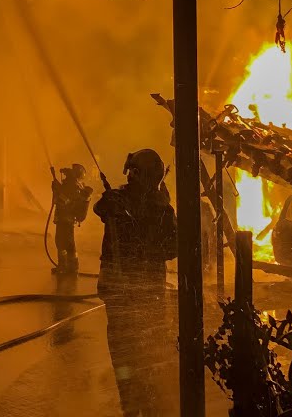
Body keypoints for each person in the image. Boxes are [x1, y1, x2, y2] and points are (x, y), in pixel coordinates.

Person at [93, 148, 178, 417]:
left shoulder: (160, 210)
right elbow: (100, 207)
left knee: (130, 351)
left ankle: (135, 399)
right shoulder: (119, 201)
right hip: (135, 292)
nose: (129, 178)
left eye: (133, 173)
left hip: (132, 293)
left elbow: (172, 248)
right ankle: (134, 399)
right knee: (133, 351)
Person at [50, 163, 94, 274]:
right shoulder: (75, 186)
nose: (67, 173)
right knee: (67, 243)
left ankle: (65, 267)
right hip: (65, 219)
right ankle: (71, 267)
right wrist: (57, 188)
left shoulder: (73, 186)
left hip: (66, 219)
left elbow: (65, 200)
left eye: (71, 171)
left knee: (62, 242)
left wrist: (57, 189)